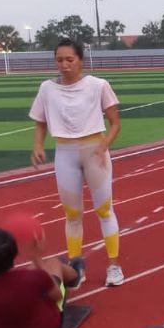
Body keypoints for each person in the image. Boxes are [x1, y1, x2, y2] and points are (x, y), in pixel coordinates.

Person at [30, 38, 124, 287]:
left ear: (80, 60)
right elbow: (40, 123)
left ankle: (114, 265)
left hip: (94, 150)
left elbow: (115, 122)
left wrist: (105, 144)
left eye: (70, 59)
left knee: (104, 209)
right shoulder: (47, 89)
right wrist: (38, 145)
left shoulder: (98, 85)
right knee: (72, 214)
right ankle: (75, 267)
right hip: (65, 152)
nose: (64, 65)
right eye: (59, 60)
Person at [0, 213, 81, 328]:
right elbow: (58, 296)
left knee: (36, 272)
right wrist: (36, 257)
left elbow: (5, 287)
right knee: (53, 263)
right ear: (13, 253)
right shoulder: (34, 277)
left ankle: (71, 271)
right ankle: (74, 274)